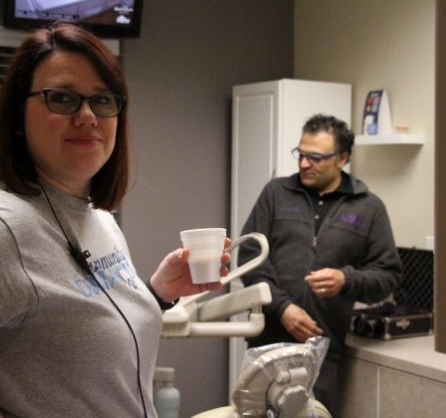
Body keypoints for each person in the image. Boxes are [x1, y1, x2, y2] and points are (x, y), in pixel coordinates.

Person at [0, 22, 230, 418]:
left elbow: (75, 327)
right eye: (62, 98)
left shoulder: (100, 218)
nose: (87, 116)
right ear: (18, 117)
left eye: (103, 101)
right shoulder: (9, 230)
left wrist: (158, 292)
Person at [238, 113, 402, 414]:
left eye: (315, 157)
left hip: (321, 351)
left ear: (342, 158)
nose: (303, 164)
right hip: (267, 342)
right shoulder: (276, 193)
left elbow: (387, 275)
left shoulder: (370, 207)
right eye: (301, 154)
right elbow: (249, 256)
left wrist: (346, 280)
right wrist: (283, 308)